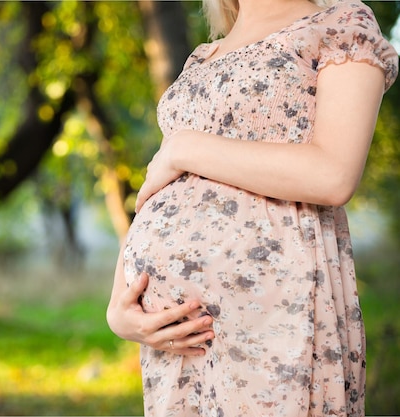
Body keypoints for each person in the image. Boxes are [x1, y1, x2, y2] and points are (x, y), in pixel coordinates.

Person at [106, 0, 398, 416]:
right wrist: (120, 306)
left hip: (277, 319)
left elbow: (333, 174)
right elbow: (160, 184)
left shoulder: (340, 24)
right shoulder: (203, 58)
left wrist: (185, 147)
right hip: (178, 342)